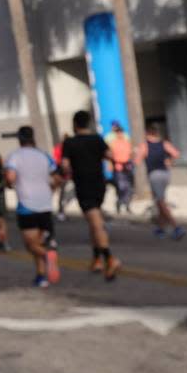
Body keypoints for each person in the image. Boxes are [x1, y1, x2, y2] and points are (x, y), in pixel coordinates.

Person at [61, 111, 122, 281]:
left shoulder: (70, 142)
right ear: (88, 123)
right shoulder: (97, 139)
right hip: (99, 184)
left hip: (83, 184)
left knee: (96, 222)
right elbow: (111, 156)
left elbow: (65, 166)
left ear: (75, 124)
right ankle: (96, 260)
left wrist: (70, 170)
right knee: (93, 222)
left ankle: (110, 258)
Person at [5, 126, 61, 288]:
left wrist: (9, 184)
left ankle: (48, 255)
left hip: (26, 205)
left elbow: (10, 177)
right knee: (40, 241)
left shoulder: (14, 156)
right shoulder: (44, 156)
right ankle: (41, 276)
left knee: (31, 244)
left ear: (20, 139)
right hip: (45, 204)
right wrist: (50, 190)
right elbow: (57, 178)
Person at [137, 124, 185, 240]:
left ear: (147, 133)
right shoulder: (164, 143)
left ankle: (176, 226)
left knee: (160, 201)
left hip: (154, 175)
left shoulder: (145, 145)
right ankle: (161, 228)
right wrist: (169, 160)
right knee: (159, 201)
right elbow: (176, 154)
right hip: (165, 173)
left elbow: (137, 160)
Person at [105, 121, 134, 215]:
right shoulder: (112, 143)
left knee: (129, 187)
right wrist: (109, 164)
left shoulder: (126, 142)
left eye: (121, 132)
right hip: (118, 166)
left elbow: (131, 154)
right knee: (121, 187)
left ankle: (127, 205)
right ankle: (119, 203)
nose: (120, 134)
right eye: (118, 132)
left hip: (127, 166)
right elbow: (109, 155)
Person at [53, 133, 73, 221]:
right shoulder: (60, 148)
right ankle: (60, 212)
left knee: (61, 193)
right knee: (60, 193)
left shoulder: (61, 148)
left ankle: (61, 211)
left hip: (63, 173)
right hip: (61, 173)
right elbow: (57, 161)